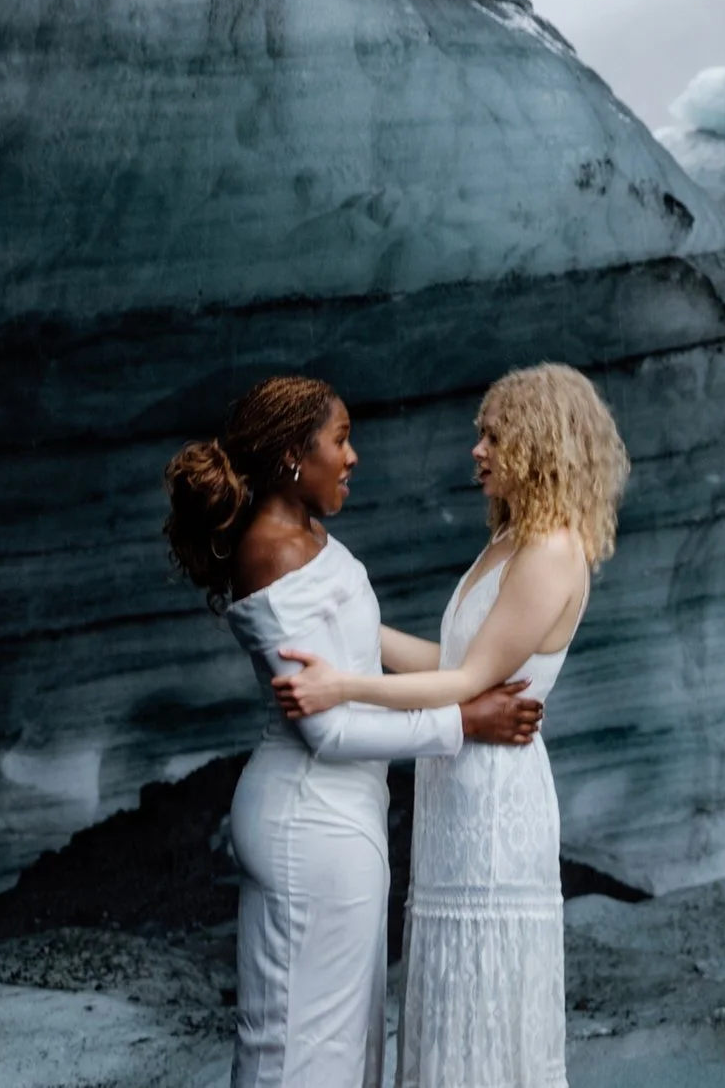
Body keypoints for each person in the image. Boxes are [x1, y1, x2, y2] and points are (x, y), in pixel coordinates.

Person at [165, 373, 545, 1088]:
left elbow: (357, 654)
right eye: (340, 439)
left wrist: (467, 673)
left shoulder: (307, 533)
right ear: (292, 454)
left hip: (341, 817)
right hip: (309, 818)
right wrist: (462, 721)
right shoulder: (272, 550)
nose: (353, 456)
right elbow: (327, 732)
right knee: (301, 1049)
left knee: (341, 1044)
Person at [272, 362, 629, 1088]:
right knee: (449, 989)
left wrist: (343, 685)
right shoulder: (511, 541)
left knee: (481, 996)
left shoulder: (552, 550)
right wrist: (357, 627)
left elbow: (467, 684)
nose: (477, 449)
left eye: (493, 436)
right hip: (459, 784)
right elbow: (455, 660)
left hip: (495, 797)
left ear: (538, 442)